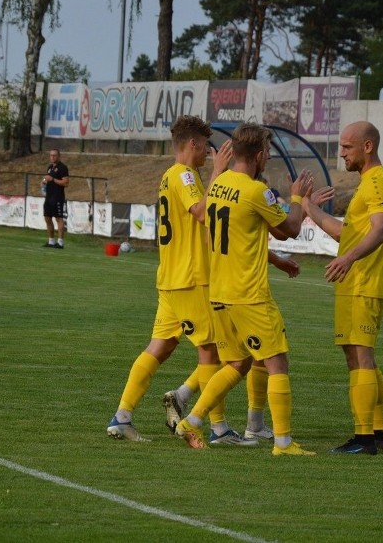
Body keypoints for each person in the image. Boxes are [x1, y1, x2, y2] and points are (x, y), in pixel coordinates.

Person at [107, 115, 254, 447]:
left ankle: (123, 416)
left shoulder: (170, 176)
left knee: (160, 346)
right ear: (193, 145)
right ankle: (217, 429)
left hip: (171, 279)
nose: (208, 154)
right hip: (190, 279)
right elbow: (201, 212)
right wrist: (219, 171)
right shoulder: (185, 174)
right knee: (210, 351)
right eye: (205, 148)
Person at [174, 122, 316, 456]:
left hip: (219, 292)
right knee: (277, 362)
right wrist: (297, 197)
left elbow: (246, 232)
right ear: (258, 154)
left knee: (236, 364)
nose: (268, 157)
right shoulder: (256, 190)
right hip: (249, 294)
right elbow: (291, 228)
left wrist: (276, 259)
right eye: (267, 151)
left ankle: (192, 421)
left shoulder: (220, 183)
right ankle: (283, 443)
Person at [301, 121, 383, 455]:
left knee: (362, 356)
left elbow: (381, 228)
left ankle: (364, 438)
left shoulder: (375, 182)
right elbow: (347, 234)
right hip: (357, 281)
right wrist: (309, 208)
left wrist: (350, 259)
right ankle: (379, 432)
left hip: (364, 281)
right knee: (357, 357)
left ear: (367, 147)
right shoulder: (370, 183)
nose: (341, 153)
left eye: (346, 147)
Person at [161, 249, 302, 442]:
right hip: (242, 287)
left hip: (215, 286)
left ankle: (191, 408)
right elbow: (286, 230)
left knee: (239, 360)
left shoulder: (209, 217)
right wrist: (279, 258)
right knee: (269, 358)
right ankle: (274, 439)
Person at [42, 149, 69, 249]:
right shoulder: (49, 168)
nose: (52, 157)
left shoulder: (62, 168)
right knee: (47, 218)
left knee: (59, 218)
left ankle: (60, 242)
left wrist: (53, 179)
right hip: (49, 196)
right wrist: (44, 181)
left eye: (54, 155)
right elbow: (47, 178)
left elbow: (66, 183)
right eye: (51, 155)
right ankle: (51, 241)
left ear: (59, 156)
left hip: (57, 197)